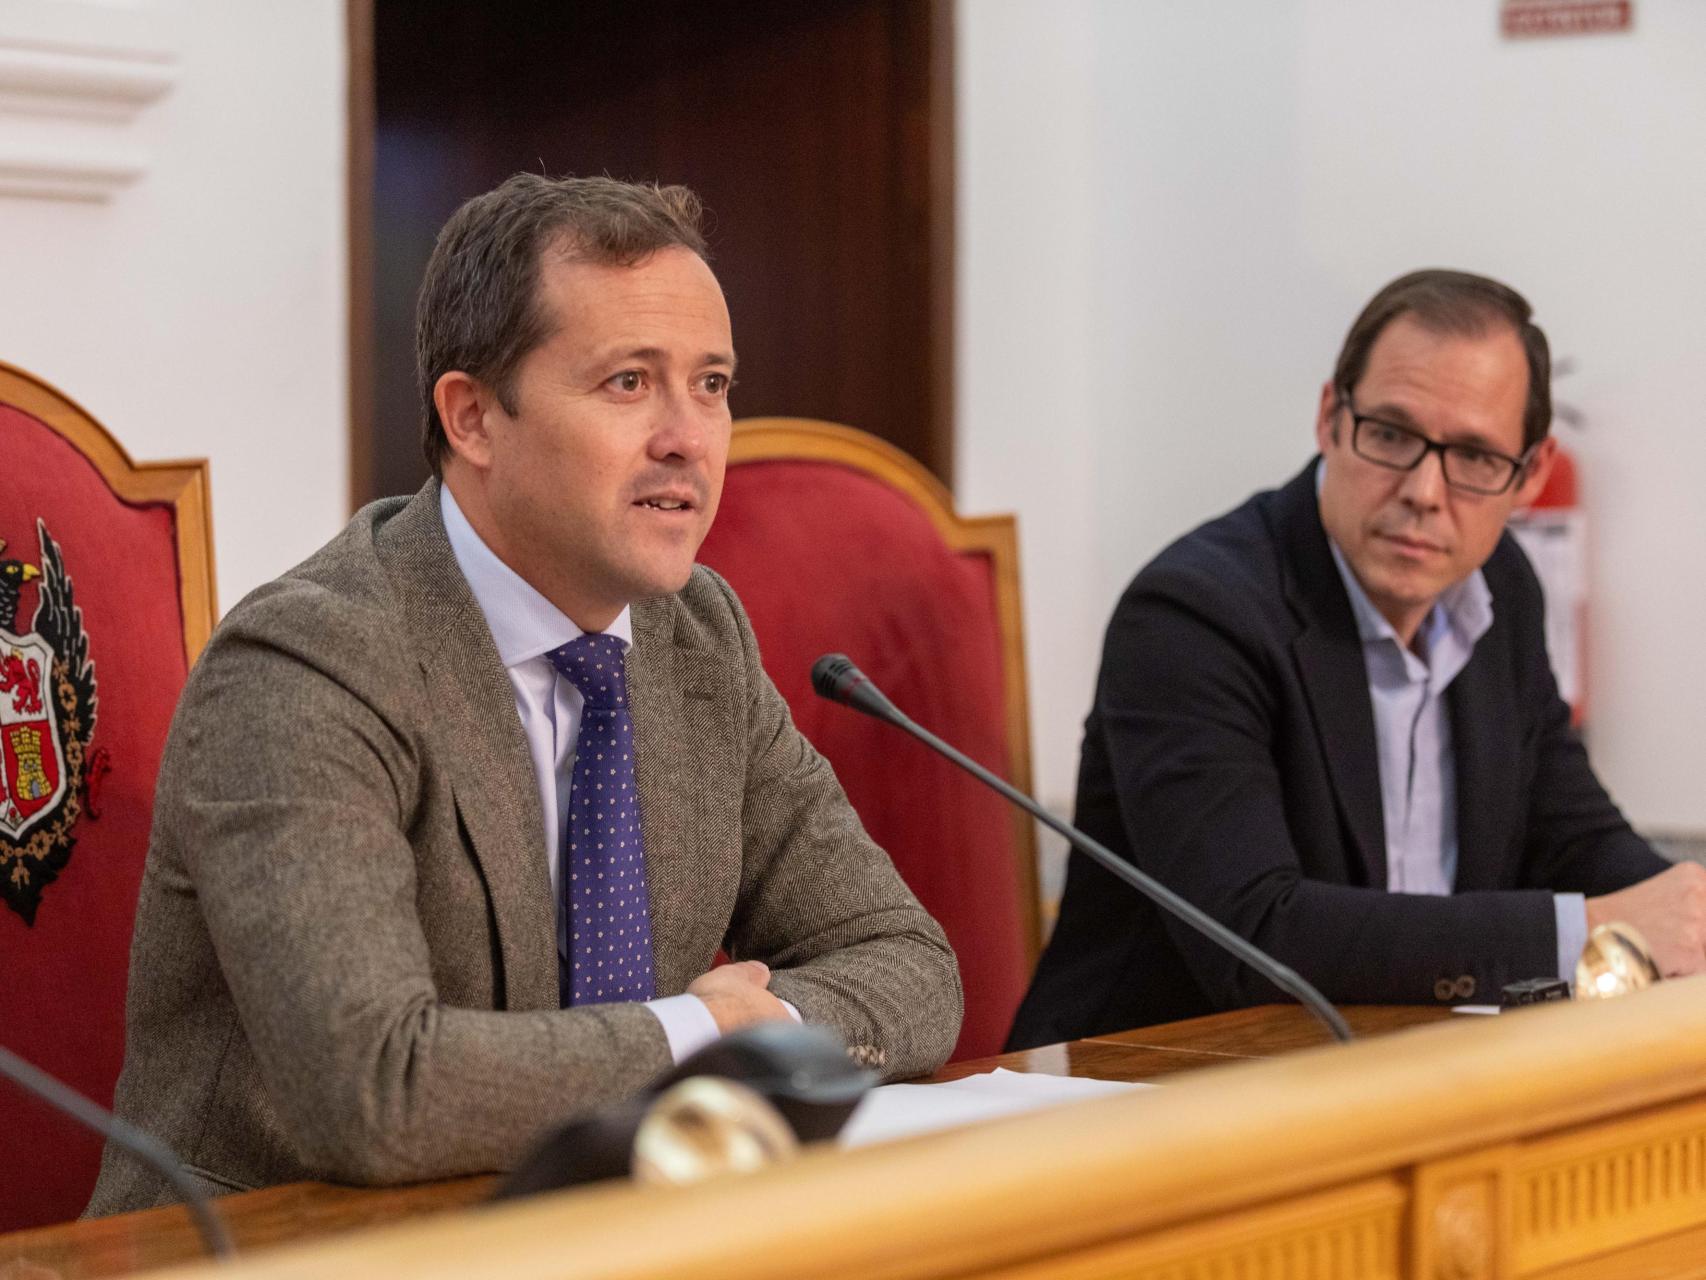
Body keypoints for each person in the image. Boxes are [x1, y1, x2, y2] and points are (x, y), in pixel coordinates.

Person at [88, 174, 961, 1213]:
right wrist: (695, 1036)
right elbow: (377, 1085)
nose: (689, 435)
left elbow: (910, 966)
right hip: (285, 1244)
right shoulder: (306, 664)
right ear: (472, 419)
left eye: (713, 383)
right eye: (629, 383)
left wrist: (747, 1036)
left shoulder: (696, 638)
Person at [1009, 269, 1706, 1049]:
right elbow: (1257, 935)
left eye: (1475, 456)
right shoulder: (1192, 616)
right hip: (1153, 1090)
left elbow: (1572, 834)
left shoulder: (1498, 586)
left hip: (1410, 1069)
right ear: (1331, 419)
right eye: (1393, 435)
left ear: (1529, 474)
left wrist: (1683, 913)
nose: (1424, 491)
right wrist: (1588, 930)